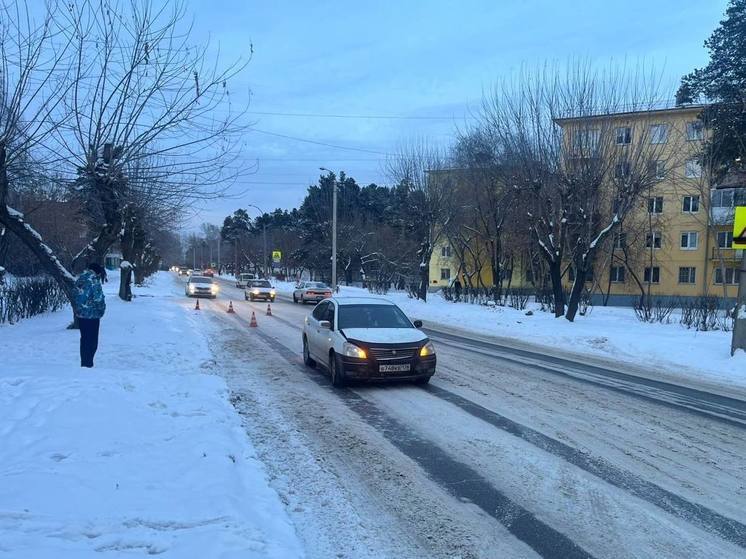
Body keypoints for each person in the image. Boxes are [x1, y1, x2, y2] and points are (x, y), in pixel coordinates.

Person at [75, 262, 106, 368]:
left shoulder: (80, 278)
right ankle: (88, 364)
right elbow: (98, 298)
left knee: (84, 339)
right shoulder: (94, 280)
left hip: (81, 315)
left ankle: (84, 362)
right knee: (92, 341)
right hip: (92, 315)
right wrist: (102, 310)